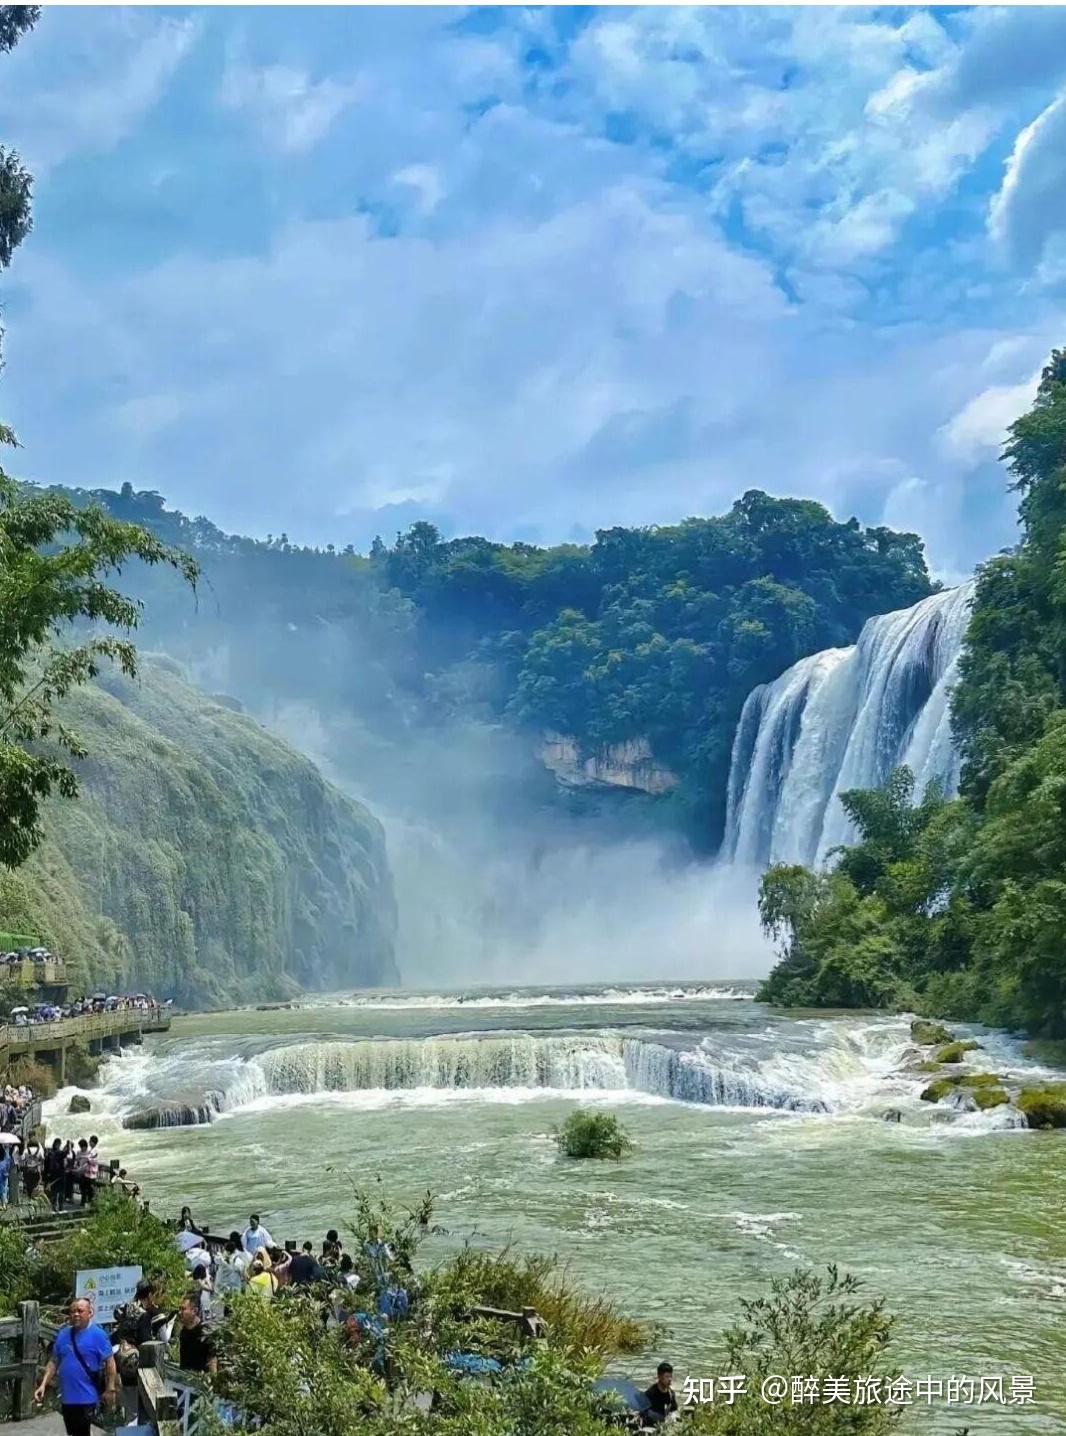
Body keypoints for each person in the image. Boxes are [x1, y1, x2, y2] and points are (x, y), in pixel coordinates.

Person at [33, 1297, 118, 1436]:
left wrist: (110, 1388)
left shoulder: (98, 1335)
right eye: (72, 1311)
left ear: (90, 1312)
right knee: (73, 1432)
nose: (76, 1314)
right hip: (67, 1398)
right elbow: (53, 1362)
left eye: (80, 1311)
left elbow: (110, 1362)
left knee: (82, 1432)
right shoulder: (63, 1334)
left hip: (88, 1397)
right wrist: (43, 1385)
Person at [176, 1294, 218, 1376]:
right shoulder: (183, 1331)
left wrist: (213, 1378)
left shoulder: (205, 1332)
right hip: (184, 1378)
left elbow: (212, 1359)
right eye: (179, 1309)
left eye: (183, 1309)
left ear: (194, 1311)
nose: (180, 1312)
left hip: (200, 1379)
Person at [44, 1138, 66, 1211]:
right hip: (61, 1175)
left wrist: (46, 1174)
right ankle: (60, 1206)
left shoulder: (50, 1153)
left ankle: (54, 1206)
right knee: (61, 1191)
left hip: (52, 1175)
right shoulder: (60, 1153)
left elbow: (46, 1165)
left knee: (54, 1192)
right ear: (58, 1144)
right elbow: (65, 1157)